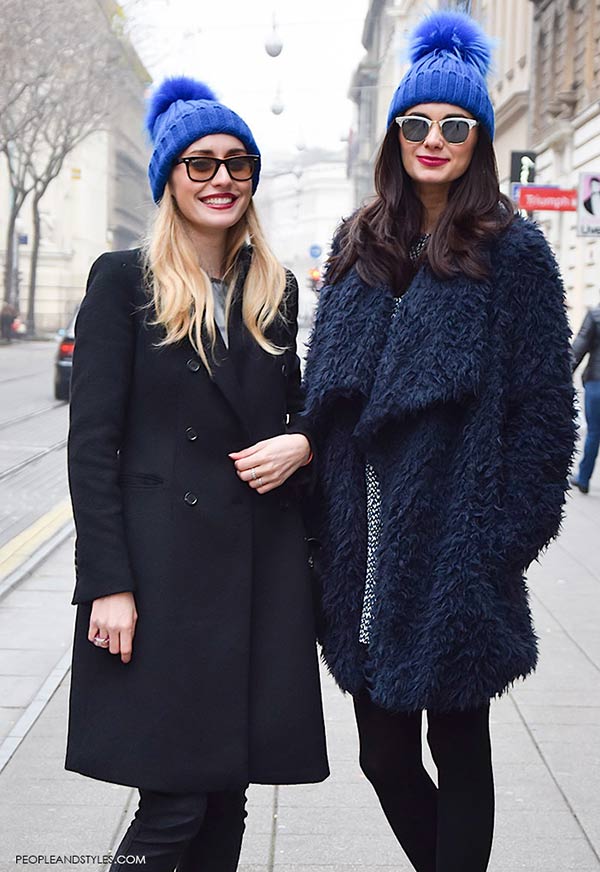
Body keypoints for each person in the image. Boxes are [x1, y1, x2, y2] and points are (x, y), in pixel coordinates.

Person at [301, 11, 574, 872]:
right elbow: (323, 393)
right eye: (416, 123)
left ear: (478, 140)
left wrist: (497, 545)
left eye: (455, 127)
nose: (433, 140)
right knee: (383, 758)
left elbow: (546, 413)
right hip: (365, 547)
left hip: (457, 547)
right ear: (395, 134)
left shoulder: (513, 252)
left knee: (460, 753)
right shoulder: (358, 243)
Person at [65, 77, 328, 872]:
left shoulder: (274, 289)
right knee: (173, 802)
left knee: (225, 795)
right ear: (170, 180)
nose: (222, 178)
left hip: (255, 571)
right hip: (161, 574)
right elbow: (92, 447)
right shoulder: (124, 280)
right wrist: (108, 584)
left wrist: (304, 441)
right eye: (201, 163)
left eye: (238, 163)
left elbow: (298, 410)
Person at [571, 302, 600, 492]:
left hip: (596, 384)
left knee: (594, 433)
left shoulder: (595, 315)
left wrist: (562, 377)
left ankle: (583, 479)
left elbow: (579, 347)